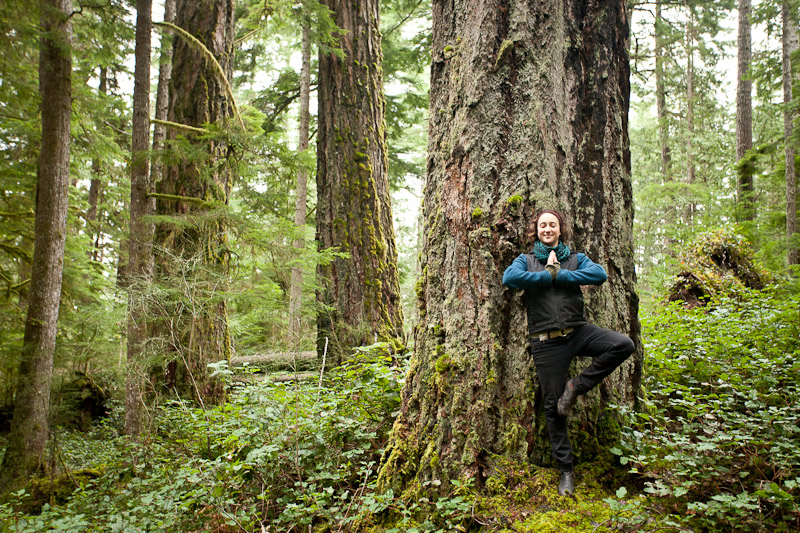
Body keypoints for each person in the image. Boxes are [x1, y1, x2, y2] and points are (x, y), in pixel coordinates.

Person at [502, 210, 634, 496]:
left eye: (553, 224)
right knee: (552, 407)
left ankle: (575, 386)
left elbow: (599, 275)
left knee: (623, 344)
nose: (547, 229)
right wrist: (545, 275)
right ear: (535, 230)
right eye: (542, 225)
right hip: (546, 342)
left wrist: (560, 274)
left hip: (578, 331)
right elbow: (510, 278)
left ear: (561, 230)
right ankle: (566, 471)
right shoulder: (526, 261)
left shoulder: (575, 258)